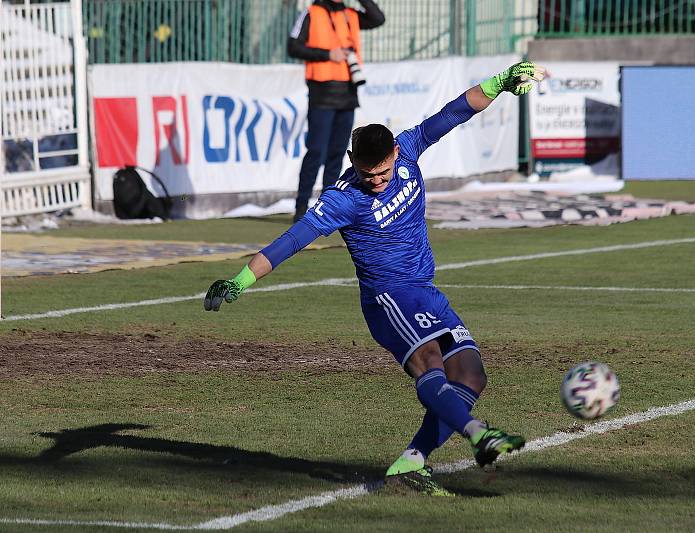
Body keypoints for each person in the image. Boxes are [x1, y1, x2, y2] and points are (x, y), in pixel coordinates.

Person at [204, 61, 546, 496]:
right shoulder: (342, 200)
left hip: (425, 291)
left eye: (383, 172)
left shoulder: (409, 147)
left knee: (472, 375)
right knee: (432, 368)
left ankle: (411, 464)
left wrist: (500, 82)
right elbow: (291, 241)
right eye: (368, 174)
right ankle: (481, 435)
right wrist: (239, 281)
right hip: (390, 300)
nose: (378, 181)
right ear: (353, 162)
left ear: (395, 156)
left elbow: (456, 111)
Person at [287, 0, 385, 222]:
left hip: (348, 94)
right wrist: (327, 54)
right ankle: (301, 207)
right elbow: (293, 46)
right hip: (322, 93)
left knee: (337, 154)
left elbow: (378, 18)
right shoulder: (311, 13)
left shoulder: (350, 14)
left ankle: (327, 206)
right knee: (316, 152)